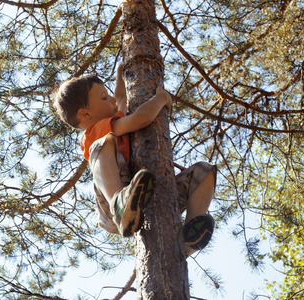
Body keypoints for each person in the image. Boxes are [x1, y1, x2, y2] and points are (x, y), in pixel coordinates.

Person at [53, 64, 216, 256]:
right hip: (112, 208)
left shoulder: (115, 119)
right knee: (101, 144)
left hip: (141, 193)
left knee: (204, 171)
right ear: (85, 114)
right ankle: (119, 204)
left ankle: (187, 240)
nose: (112, 100)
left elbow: (121, 97)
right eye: (104, 98)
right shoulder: (95, 131)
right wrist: (160, 98)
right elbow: (142, 118)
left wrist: (123, 68)